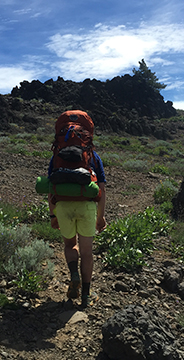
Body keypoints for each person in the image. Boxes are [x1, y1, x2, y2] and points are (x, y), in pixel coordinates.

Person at [47, 113, 107, 308]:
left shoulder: (57, 155)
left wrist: (53, 214)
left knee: (69, 245)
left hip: (63, 205)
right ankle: (86, 295)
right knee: (87, 252)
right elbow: (102, 189)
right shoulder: (92, 155)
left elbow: (50, 188)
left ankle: (73, 274)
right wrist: (101, 216)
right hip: (87, 205)